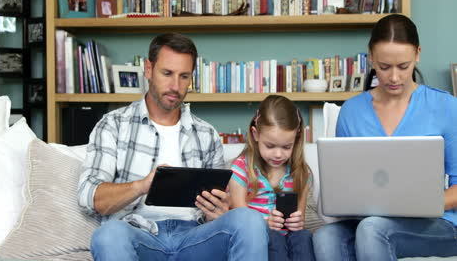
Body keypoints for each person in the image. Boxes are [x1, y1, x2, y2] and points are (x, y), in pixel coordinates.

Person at [77, 33, 268, 261]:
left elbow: (216, 214)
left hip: (195, 238)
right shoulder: (113, 125)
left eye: (184, 76)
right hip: (139, 234)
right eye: (167, 73)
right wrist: (141, 186)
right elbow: (90, 197)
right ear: (148, 69)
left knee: (249, 219)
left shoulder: (206, 134)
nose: (175, 86)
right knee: (108, 235)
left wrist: (217, 211)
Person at [313, 14, 457, 260]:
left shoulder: (446, 107)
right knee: (325, 236)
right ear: (370, 57)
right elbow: (345, 185)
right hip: (372, 221)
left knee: (372, 229)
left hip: (436, 225)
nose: (393, 77)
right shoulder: (351, 112)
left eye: (403, 66)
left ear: (418, 54)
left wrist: (420, 203)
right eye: (384, 67)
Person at [229, 95, 316, 261]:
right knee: (274, 238)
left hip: (290, 237)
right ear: (255, 134)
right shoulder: (242, 169)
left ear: (296, 138)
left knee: (303, 237)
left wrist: (298, 221)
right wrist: (266, 223)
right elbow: (239, 217)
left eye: (286, 147)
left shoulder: (301, 173)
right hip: (257, 237)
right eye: (270, 146)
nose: (278, 154)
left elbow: (300, 218)